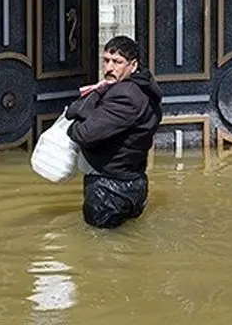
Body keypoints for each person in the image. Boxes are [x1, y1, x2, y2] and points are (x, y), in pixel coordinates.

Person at [65, 35, 163, 230]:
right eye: (106, 60)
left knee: (98, 245)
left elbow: (83, 134)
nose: (109, 68)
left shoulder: (125, 95)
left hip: (108, 190)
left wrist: (72, 126)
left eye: (117, 62)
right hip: (135, 184)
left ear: (133, 65)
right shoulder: (144, 89)